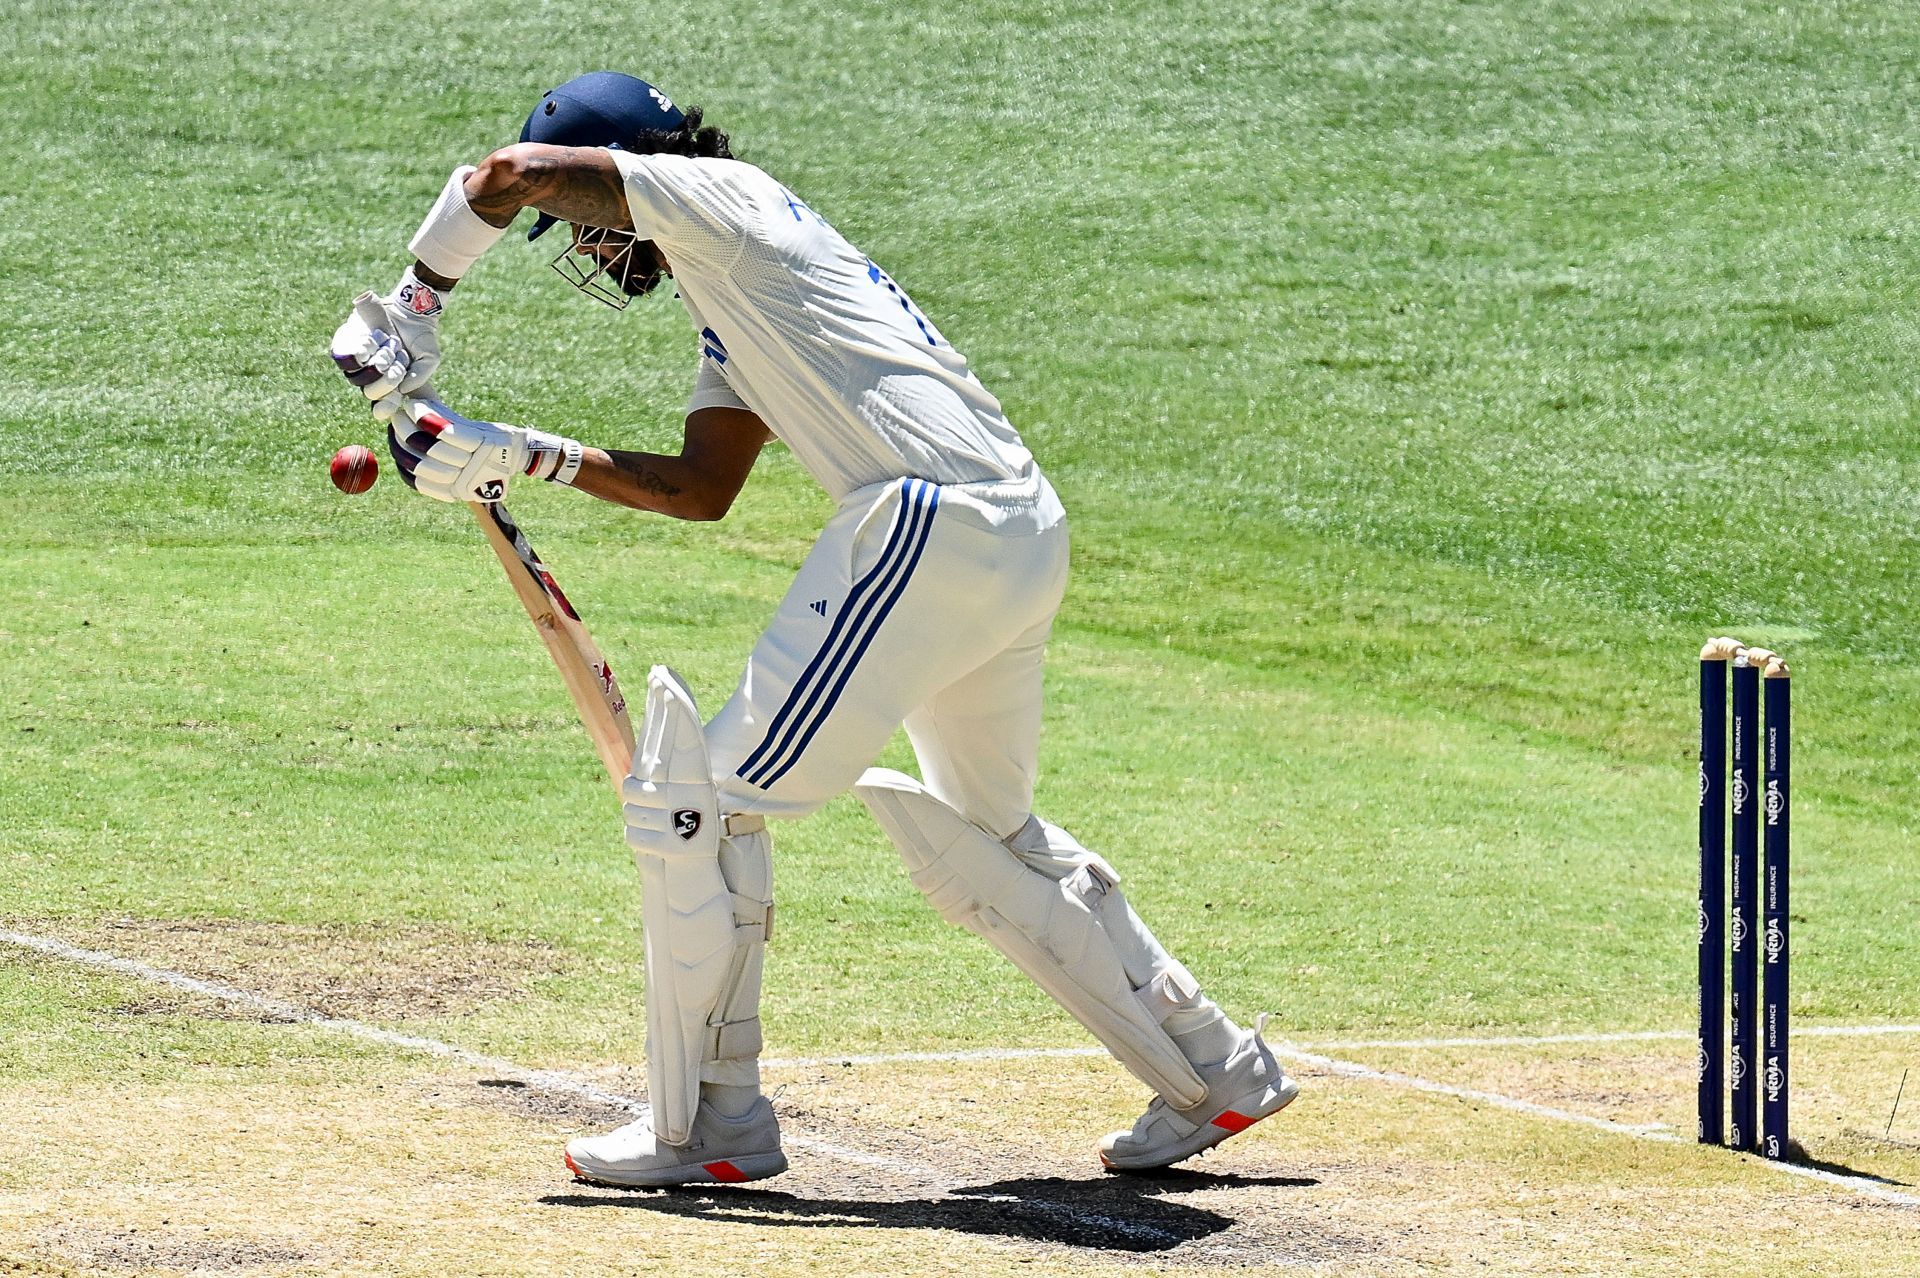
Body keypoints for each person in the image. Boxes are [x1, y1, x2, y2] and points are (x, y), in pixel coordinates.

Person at [329, 71, 1294, 1186]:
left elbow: (503, 176)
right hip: (1017, 529)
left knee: (700, 803)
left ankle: (709, 1125)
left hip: (929, 525)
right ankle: (1216, 1063)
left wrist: (415, 303)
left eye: (580, 228)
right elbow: (702, 487)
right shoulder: (735, 281)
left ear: (626, 166)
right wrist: (524, 453)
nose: (583, 249)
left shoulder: (714, 198)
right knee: (991, 833)